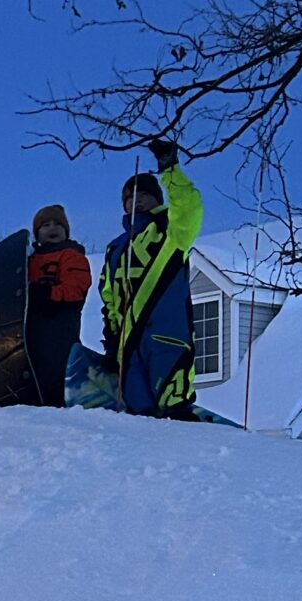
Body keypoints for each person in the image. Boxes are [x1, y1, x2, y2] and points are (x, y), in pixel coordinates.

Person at [98, 140, 204, 418]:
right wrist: (111, 336)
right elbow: (109, 295)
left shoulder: (171, 229)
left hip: (167, 335)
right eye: (130, 197)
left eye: (144, 193)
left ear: (157, 197)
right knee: (138, 411)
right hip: (128, 344)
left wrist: (169, 169)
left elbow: (189, 206)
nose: (137, 199)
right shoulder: (114, 248)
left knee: (172, 402)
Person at [25, 206, 92, 407]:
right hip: (32, 327)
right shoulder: (29, 261)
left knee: (57, 369)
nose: (52, 228)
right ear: (37, 233)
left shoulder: (72, 256)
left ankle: (59, 404)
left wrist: (48, 295)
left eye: (57, 224)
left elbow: (76, 288)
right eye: (46, 225)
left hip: (60, 323)